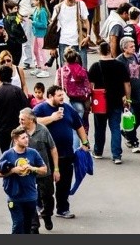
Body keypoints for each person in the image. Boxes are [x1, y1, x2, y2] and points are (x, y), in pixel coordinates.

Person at [33, 85, 90, 221]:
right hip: (46, 155)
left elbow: (79, 125)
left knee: (64, 183)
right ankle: (41, 207)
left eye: (62, 96)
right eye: (59, 96)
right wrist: (52, 118)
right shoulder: (40, 109)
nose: (62, 98)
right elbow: (33, 122)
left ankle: (63, 208)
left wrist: (85, 142)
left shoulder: (68, 108)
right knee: (45, 185)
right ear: (50, 96)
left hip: (66, 153)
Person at [0, 126, 48, 234]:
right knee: (18, 224)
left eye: (27, 137)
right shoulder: (8, 154)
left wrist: (32, 168)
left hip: (30, 196)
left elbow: (44, 170)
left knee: (28, 226)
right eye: (23, 138)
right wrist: (13, 170)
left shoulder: (33, 153)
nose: (27, 140)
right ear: (15, 140)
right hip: (15, 197)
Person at [88, 42, 130, 164]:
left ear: (99, 52)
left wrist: (91, 101)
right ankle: (116, 155)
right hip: (116, 101)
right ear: (110, 50)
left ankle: (98, 151)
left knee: (100, 128)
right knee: (115, 128)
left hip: (100, 102)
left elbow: (91, 87)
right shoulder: (120, 65)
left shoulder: (95, 66)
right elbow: (127, 84)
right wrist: (127, 99)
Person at [0, 65, 30, 153]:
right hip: (17, 127)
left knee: (6, 153)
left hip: (1, 129)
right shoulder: (17, 91)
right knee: (19, 152)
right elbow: (26, 108)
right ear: (11, 76)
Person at [117, 36, 140, 152]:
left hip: (138, 91)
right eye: (131, 46)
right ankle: (134, 142)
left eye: (134, 46)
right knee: (130, 117)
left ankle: (126, 132)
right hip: (127, 94)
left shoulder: (136, 56)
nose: (134, 48)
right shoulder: (120, 61)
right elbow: (119, 80)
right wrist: (123, 95)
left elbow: (139, 68)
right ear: (124, 48)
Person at [55, 48, 92, 137]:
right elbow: (88, 87)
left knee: (73, 129)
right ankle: (84, 142)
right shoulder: (83, 71)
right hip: (83, 100)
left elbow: (56, 87)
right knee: (83, 124)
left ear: (65, 59)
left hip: (68, 100)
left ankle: (74, 148)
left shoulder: (61, 71)